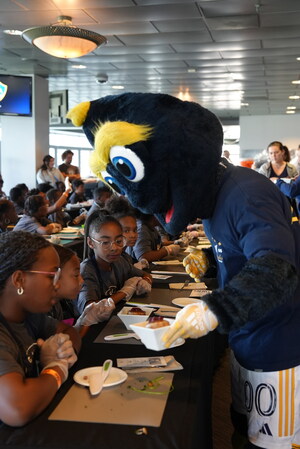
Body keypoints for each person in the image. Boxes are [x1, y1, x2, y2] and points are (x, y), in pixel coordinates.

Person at [67, 92, 300, 449]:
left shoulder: (245, 192)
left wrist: (213, 311)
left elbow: (276, 268)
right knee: (241, 427)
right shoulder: (214, 197)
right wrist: (208, 264)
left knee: (272, 444)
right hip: (246, 337)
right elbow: (238, 254)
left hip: (278, 344)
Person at [0, 231, 81, 426]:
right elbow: (18, 408)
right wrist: (56, 369)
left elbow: (70, 332)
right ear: (19, 280)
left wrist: (63, 347)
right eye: (52, 276)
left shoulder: (29, 315)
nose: (58, 284)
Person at [76, 211, 152, 314]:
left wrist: (145, 282)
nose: (114, 248)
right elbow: (90, 310)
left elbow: (146, 275)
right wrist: (124, 292)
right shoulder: (87, 271)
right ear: (91, 243)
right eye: (106, 243)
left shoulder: (119, 262)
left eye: (119, 241)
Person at [49, 245, 115, 335]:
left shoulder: (56, 305)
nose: (82, 281)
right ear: (55, 276)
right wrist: (85, 323)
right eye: (76, 275)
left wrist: (82, 324)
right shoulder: (42, 311)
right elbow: (65, 346)